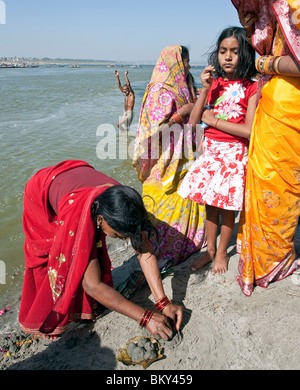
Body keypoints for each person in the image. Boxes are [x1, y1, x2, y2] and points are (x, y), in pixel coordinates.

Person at [19, 160, 182, 339]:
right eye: (119, 235)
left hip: (76, 177)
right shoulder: (79, 216)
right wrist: (145, 317)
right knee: (60, 256)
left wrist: (163, 302)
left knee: (88, 255)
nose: (124, 239)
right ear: (100, 220)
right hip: (41, 191)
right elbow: (92, 285)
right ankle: (49, 316)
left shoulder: (124, 202)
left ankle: (89, 306)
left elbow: (143, 249)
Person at [227, 0, 300, 296]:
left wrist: (263, 65)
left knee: (276, 185)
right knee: (275, 184)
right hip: (280, 105)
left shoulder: (292, 7)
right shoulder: (282, 7)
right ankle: (273, 255)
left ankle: (272, 259)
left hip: (287, 104)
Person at [178, 27, 257, 274]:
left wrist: (213, 121)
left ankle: (222, 251)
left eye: (234, 51)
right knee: (210, 204)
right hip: (211, 153)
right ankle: (209, 249)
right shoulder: (215, 84)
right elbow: (192, 122)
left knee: (227, 208)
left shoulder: (252, 87)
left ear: (245, 54)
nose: (228, 57)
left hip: (234, 154)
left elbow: (248, 130)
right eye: (223, 51)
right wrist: (204, 88)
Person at [132, 45, 206, 271]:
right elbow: (154, 133)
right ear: (174, 62)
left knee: (183, 197)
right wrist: (180, 114)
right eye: (186, 61)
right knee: (161, 196)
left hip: (181, 155)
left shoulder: (181, 86)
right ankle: (160, 251)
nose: (189, 65)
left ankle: (183, 243)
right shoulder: (160, 92)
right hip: (163, 159)